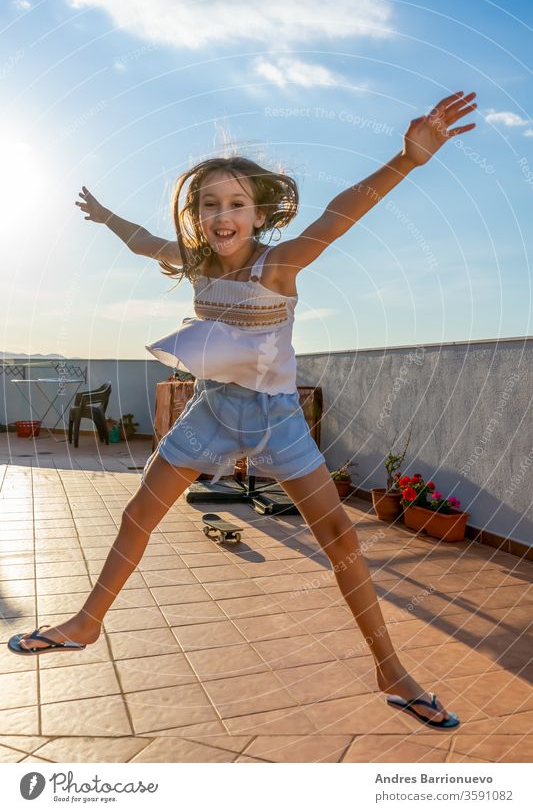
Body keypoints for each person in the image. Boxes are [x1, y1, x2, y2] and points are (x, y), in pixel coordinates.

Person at [9, 91, 477, 729]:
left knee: (340, 537)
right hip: (211, 412)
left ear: (258, 215)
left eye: (235, 204)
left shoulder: (278, 265)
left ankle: (391, 670)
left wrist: (406, 160)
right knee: (138, 514)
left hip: (276, 419)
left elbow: (338, 217)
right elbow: (146, 243)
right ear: (197, 217)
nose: (221, 215)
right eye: (209, 205)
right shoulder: (196, 265)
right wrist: (105, 215)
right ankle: (87, 623)